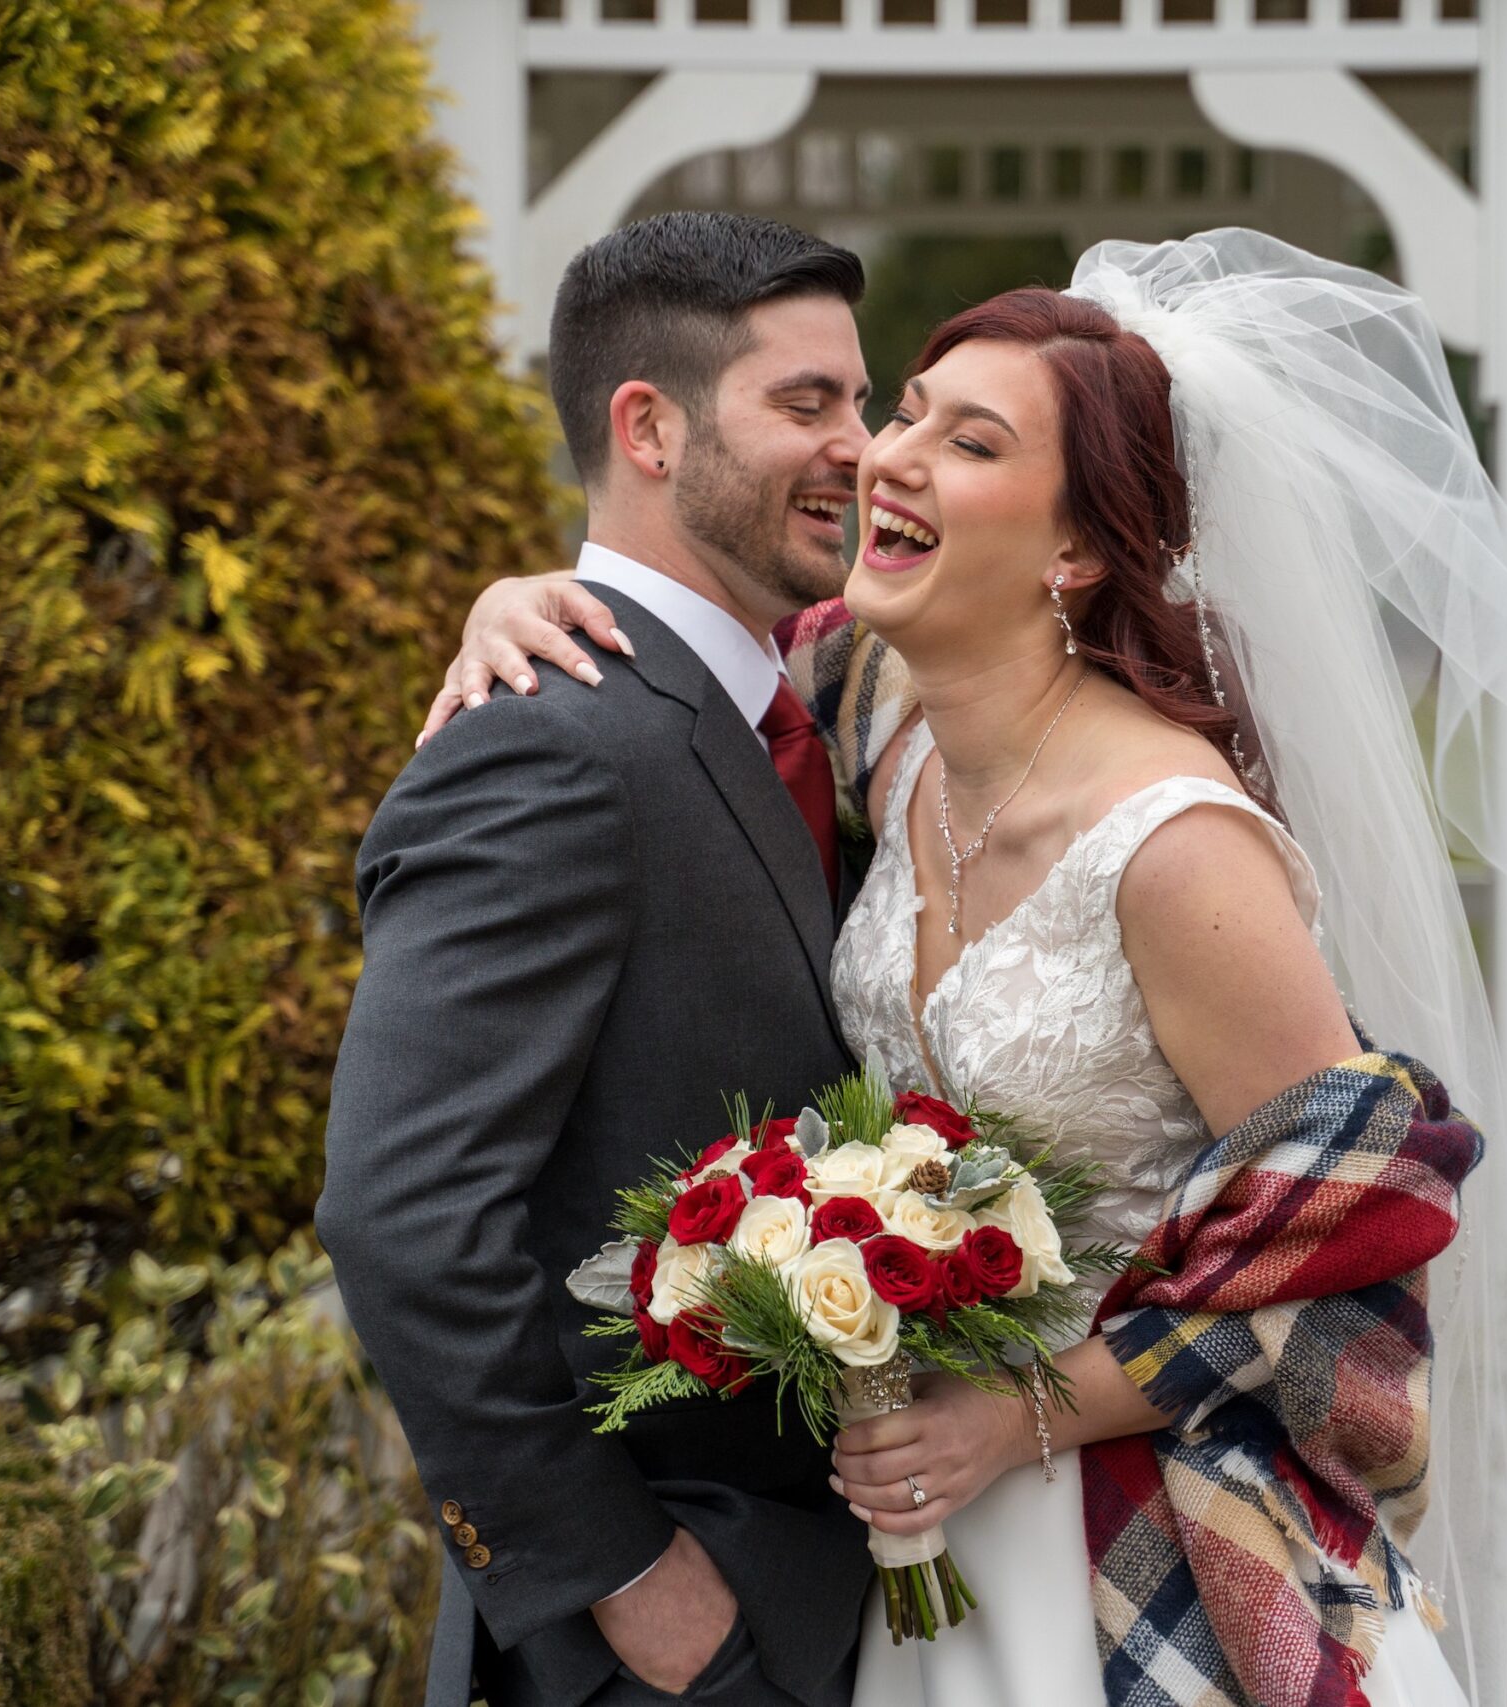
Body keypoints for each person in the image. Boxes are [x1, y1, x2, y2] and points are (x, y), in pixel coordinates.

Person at [427, 231, 1507, 1707]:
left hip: (1152, 1541)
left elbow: (1355, 1237)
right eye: (903, 410)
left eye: (965, 442)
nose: (884, 458)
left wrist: (1024, 1415)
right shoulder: (879, 708)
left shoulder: (1174, 851)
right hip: (918, 1567)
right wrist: (522, 599)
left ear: (1076, 551)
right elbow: (689, 634)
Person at [316, 210, 879, 1707]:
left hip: (851, 1587)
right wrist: (620, 1581)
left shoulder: (834, 702)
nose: (861, 447)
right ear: (647, 425)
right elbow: (399, 1210)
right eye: (807, 403)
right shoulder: (546, 745)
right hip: (666, 1641)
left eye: (863, 402)